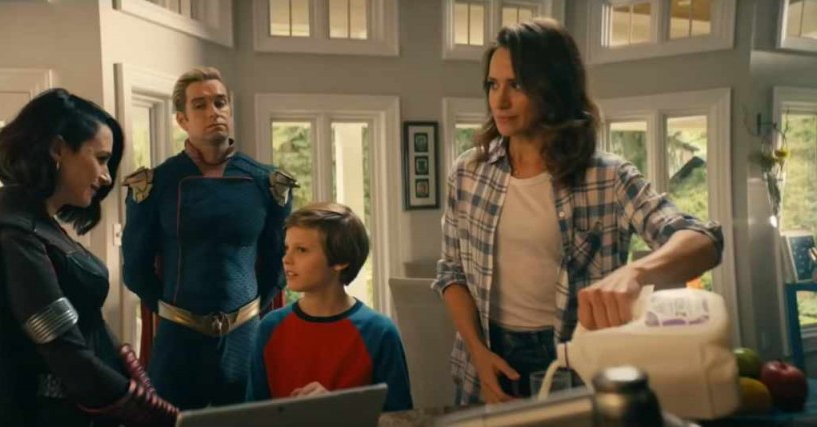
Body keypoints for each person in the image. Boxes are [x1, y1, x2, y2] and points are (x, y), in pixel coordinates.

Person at [433, 18, 724, 405]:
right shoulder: (468, 172)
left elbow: (704, 240)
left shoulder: (608, 176)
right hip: (487, 356)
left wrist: (635, 273)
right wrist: (477, 353)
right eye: (493, 85)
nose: (499, 102)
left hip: (580, 358)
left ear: (552, 89)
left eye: (516, 85)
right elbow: (452, 272)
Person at [0, 88, 178, 426]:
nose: (107, 177)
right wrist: (158, 414)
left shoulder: (32, 226)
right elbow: (66, 353)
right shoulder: (16, 235)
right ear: (57, 149)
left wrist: (138, 380)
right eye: (101, 158)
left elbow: (88, 323)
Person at [122, 67, 295, 409]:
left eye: (220, 102)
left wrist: (246, 309)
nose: (213, 112)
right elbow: (136, 270)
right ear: (182, 120)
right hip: (177, 340)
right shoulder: (155, 184)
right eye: (200, 105)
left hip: (245, 335)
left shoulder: (267, 183)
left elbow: (278, 265)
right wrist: (174, 311)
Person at [246, 202, 413, 412]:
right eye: (287, 248)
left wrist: (336, 410)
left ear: (340, 260)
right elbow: (253, 416)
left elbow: (399, 419)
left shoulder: (380, 332)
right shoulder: (269, 328)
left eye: (301, 250)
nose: (286, 259)